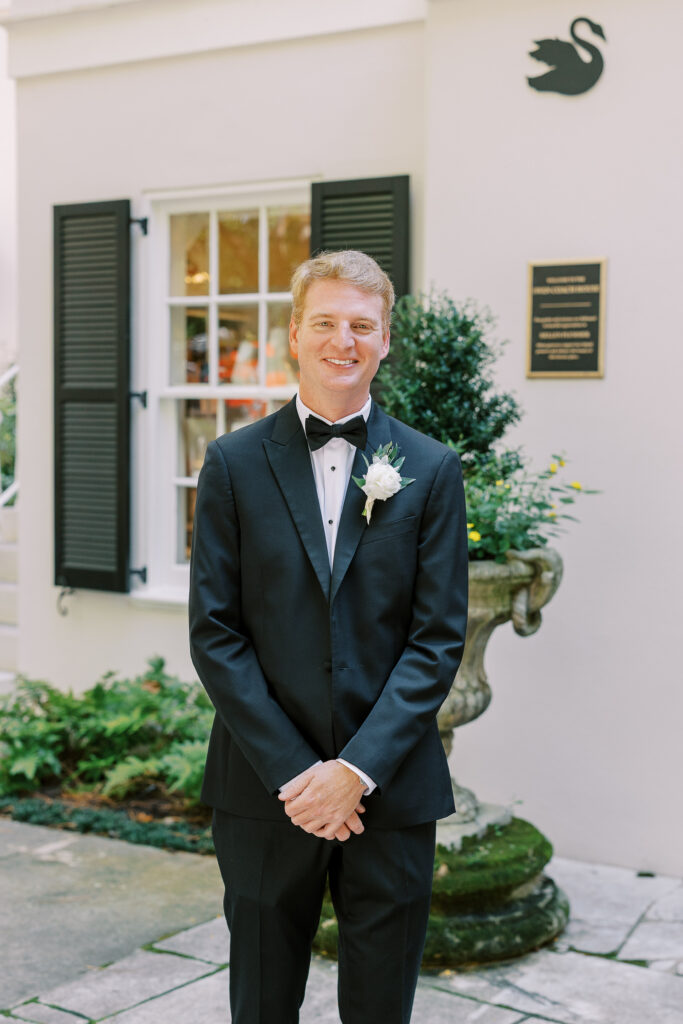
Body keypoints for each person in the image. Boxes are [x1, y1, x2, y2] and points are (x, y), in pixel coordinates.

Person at [189, 249, 468, 1024]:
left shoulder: (431, 468)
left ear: (385, 341)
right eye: (325, 322)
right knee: (262, 1002)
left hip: (391, 789)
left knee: (381, 1008)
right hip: (262, 788)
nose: (341, 340)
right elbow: (215, 633)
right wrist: (299, 776)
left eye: (361, 325)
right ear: (291, 333)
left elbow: (436, 639)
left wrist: (355, 770)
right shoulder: (232, 464)